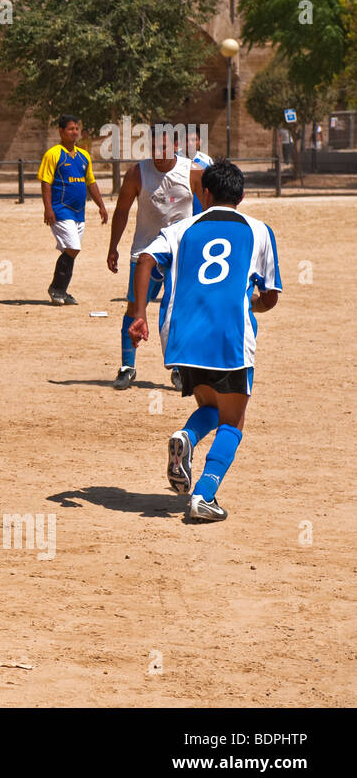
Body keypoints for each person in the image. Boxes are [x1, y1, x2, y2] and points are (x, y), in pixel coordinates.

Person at [127, 162, 281, 523]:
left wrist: (139, 314)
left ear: (204, 194)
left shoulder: (180, 228)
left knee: (211, 406)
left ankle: (187, 436)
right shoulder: (258, 231)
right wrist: (252, 304)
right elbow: (270, 295)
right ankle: (204, 495)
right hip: (229, 337)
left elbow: (145, 259)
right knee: (233, 422)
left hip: (183, 337)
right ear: (241, 197)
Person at [107, 123, 203, 390]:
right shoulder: (138, 173)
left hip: (180, 254)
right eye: (154, 146)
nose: (158, 151)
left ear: (175, 146)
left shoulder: (193, 172)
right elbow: (122, 210)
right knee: (134, 307)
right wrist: (113, 246)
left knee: (178, 311)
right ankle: (128, 366)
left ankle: (178, 368)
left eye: (164, 146)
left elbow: (209, 211)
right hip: (144, 253)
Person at [39, 115, 108, 305]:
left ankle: (61, 290)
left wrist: (101, 205)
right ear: (61, 131)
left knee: (71, 251)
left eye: (76, 128)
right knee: (73, 248)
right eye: (70, 129)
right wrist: (48, 209)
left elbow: (90, 182)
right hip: (60, 210)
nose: (75, 132)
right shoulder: (53, 154)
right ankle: (56, 289)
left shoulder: (83, 155)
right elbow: (46, 182)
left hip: (79, 212)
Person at [182, 127, 214, 216]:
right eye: (186, 140)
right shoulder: (175, 160)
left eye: (194, 140)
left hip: (200, 210)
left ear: (199, 142)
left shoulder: (207, 161)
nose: (190, 143)